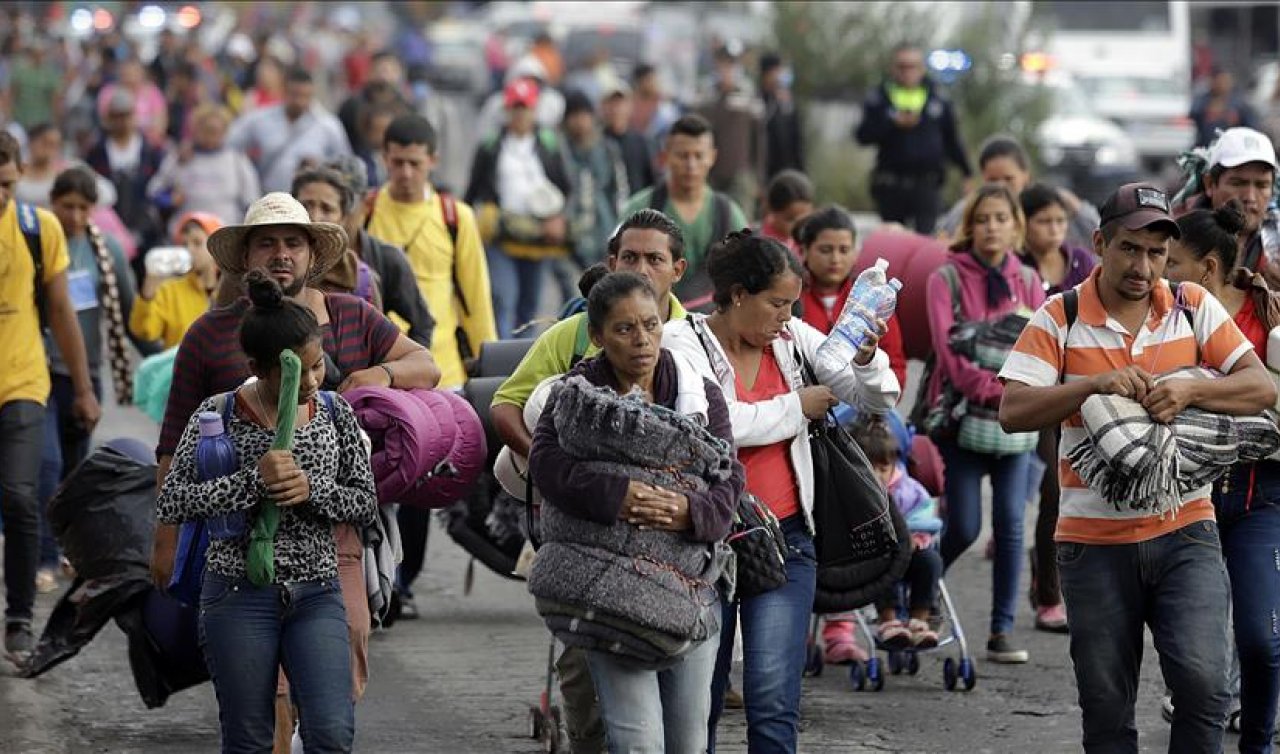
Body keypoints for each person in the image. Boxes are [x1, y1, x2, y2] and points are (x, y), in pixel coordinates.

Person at [149, 193, 441, 735]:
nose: (281, 254)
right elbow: (172, 450)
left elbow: (426, 365)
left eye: (293, 243)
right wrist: (170, 537)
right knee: (261, 711)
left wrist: (379, 376)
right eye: (268, 243)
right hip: (238, 562)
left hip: (333, 555)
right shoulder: (211, 336)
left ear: (312, 255)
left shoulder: (351, 317)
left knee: (336, 688)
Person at [999, 182, 1276, 753]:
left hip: (1185, 529)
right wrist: (1092, 385)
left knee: (1203, 688)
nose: (1143, 265)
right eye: (1129, 248)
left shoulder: (1192, 305)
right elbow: (1013, 410)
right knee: (1105, 711)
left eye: (1155, 252)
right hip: (1090, 541)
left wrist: (1187, 392)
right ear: (1100, 243)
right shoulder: (1061, 315)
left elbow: (1258, 386)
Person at [664, 232, 900, 752]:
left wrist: (865, 358)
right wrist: (797, 408)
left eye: (792, 304)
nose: (786, 316)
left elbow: (876, 398)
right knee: (697, 699)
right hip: (708, 544)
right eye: (777, 303)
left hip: (788, 541)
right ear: (738, 295)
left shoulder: (792, 339)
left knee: (773, 701)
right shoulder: (681, 343)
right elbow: (708, 427)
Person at [155, 269, 378, 753]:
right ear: (258, 367)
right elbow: (173, 500)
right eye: (299, 371)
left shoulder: (337, 412)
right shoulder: (219, 414)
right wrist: (254, 483)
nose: (314, 381)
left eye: (319, 366)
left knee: (331, 734)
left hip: (317, 592)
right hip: (237, 594)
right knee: (249, 739)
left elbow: (364, 503)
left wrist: (310, 489)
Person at [491, 210, 690, 752]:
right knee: (583, 670)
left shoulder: (697, 340)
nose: (642, 269)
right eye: (630, 257)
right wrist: (555, 466)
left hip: (675, 545)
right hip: (585, 540)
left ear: (678, 269)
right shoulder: (575, 334)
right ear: (610, 263)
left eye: (654, 259)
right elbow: (507, 405)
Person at [528, 271, 743, 754]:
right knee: (638, 741)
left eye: (650, 324)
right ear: (599, 335)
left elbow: (729, 479)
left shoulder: (697, 390)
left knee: (688, 742)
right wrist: (618, 493)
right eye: (625, 329)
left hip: (690, 591)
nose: (642, 340)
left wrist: (688, 510)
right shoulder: (574, 396)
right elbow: (547, 467)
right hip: (610, 593)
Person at [1165, 200, 1280, 752]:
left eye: (1171, 262)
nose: (1158, 274)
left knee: (1261, 640)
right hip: (1187, 500)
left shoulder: (1269, 314)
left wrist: (1195, 393)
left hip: (1262, 501)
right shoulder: (1164, 315)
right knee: (1197, 658)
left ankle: (1257, 743)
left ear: (1207, 268)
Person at [925, 183, 1045, 663]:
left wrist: (1020, 396)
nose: (992, 227)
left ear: (1016, 226)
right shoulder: (946, 279)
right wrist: (1001, 392)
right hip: (962, 421)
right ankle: (920, 585)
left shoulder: (1030, 282)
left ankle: (1001, 631)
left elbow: (1041, 348)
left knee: (1013, 525)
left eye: (1001, 218)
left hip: (1016, 425)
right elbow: (948, 355)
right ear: (969, 226)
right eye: (983, 219)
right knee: (965, 524)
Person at [0, 132, 102, 657]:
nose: (0, 194)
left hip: (22, 380)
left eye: (8, 184)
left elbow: (63, 312)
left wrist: (83, 388)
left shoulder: (37, 230)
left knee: (21, 494)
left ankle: (18, 616)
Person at [1016, 182, 1098, 633]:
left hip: (1072, 390)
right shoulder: (1016, 267)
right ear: (1023, 225)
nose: (1053, 230)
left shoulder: (1081, 263)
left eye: (1059, 221)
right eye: (1043, 221)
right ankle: (1046, 589)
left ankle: (1055, 588)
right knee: (1039, 495)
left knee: (1063, 491)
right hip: (1028, 391)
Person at [367, 112, 495, 391]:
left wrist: (489, 365)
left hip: (444, 371)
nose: (406, 173)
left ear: (433, 161)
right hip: (381, 372)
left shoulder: (456, 217)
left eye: (415, 163)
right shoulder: (365, 212)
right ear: (384, 158)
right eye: (397, 162)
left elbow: (476, 297)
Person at [466, 77, 572, 339]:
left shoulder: (548, 144)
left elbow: (565, 186)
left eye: (525, 108)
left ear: (534, 110)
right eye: (515, 108)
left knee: (530, 305)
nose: (520, 114)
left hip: (538, 236)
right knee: (503, 298)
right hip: (502, 233)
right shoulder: (492, 146)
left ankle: (525, 362)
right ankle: (502, 360)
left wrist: (559, 218)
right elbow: (474, 189)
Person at [297, 157, 435, 349]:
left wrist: (398, 372)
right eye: (307, 206)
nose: (316, 217)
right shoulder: (288, 264)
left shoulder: (382, 264)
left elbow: (422, 325)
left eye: (329, 208)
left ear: (365, 204)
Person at [620, 114, 749, 310]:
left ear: (712, 157)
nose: (691, 166)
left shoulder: (729, 214)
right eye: (682, 155)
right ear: (665, 156)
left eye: (698, 156)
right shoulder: (638, 208)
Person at [855, 43, 972, 235]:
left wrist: (966, 172)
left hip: (927, 184)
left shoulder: (938, 97)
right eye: (902, 66)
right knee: (891, 245)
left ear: (922, 68)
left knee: (925, 241)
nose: (907, 72)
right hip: (891, 184)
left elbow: (951, 138)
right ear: (893, 68)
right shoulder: (879, 97)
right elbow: (862, 136)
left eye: (913, 66)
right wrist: (891, 124)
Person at [853, 417, 944, 650]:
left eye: (883, 469)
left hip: (912, 549)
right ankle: (889, 619)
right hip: (874, 556)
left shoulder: (909, 490)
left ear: (894, 466)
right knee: (883, 561)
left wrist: (916, 539)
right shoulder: (854, 493)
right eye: (869, 468)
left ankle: (920, 619)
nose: (877, 476)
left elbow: (925, 517)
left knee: (931, 561)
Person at [939, 136, 1102, 250]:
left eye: (1009, 179)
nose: (1001, 188)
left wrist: (1076, 207)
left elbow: (1099, 236)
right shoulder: (969, 208)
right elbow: (942, 239)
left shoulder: (1050, 206)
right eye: (992, 181)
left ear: (1026, 176)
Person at [1178, 127, 1280, 288]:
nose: (1250, 198)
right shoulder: (1177, 238)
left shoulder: (1275, 244)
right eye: (1238, 183)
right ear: (1210, 184)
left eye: (1261, 185)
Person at [227, 67, 352, 194]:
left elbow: (346, 164)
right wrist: (247, 169)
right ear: (284, 91)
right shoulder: (261, 119)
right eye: (295, 95)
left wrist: (320, 167)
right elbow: (230, 144)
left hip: (309, 202)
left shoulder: (327, 125)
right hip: (268, 197)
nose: (300, 102)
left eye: (306, 96)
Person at [556, 91, 628, 302]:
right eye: (574, 115)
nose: (579, 121)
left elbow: (619, 190)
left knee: (602, 294)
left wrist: (619, 231)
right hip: (567, 237)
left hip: (602, 231)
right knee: (571, 295)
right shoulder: (559, 149)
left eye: (584, 114)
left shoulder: (607, 148)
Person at [147, 104, 261, 232]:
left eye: (216, 131)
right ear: (195, 129)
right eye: (206, 130)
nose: (211, 136)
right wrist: (169, 200)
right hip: (187, 236)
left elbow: (252, 203)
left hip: (225, 236)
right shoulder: (179, 158)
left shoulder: (237, 160)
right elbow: (153, 191)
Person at [85, 89, 168, 257]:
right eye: (117, 116)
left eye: (126, 115)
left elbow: (162, 184)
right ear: (108, 118)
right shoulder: (96, 152)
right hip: (108, 227)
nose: (122, 121)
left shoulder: (151, 150)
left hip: (145, 227)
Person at [130, 211, 223, 349]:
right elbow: (144, 331)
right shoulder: (169, 290)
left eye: (197, 243)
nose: (189, 250)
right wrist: (148, 289)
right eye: (184, 244)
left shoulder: (231, 289)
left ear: (216, 246)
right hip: (181, 369)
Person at [600, 80, 657, 200]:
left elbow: (651, 181)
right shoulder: (596, 143)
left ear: (630, 106)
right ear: (602, 107)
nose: (616, 109)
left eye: (620, 103)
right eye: (611, 103)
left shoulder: (641, 142)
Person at [759, 52, 804, 181]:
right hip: (766, 172)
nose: (780, 76)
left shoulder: (787, 101)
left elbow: (797, 138)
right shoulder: (758, 101)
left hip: (788, 169)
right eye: (777, 71)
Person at [1191, 68, 1259, 149]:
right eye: (1219, 81)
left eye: (1225, 81)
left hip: (1233, 148)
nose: (1222, 84)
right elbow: (1194, 117)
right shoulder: (1202, 101)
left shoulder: (1240, 104)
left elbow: (1251, 127)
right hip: (1206, 147)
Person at [759, 169, 814, 259]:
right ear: (772, 210)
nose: (799, 226)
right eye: (790, 219)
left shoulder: (810, 242)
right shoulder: (759, 241)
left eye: (805, 220)